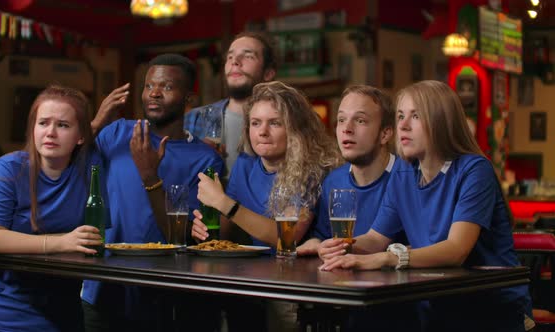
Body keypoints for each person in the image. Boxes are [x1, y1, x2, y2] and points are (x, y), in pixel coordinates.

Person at [318, 80, 534, 332]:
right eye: (400, 116)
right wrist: (341, 248)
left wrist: (386, 258)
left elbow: (456, 250)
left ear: (441, 121)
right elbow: (376, 238)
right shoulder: (403, 175)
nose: (403, 125)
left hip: (492, 310)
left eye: (416, 116)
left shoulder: (474, 170)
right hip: (439, 308)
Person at [81, 54, 224, 331]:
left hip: (163, 294)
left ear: (188, 100)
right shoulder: (117, 133)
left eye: (167, 87)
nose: (154, 93)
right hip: (102, 286)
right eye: (149, 86)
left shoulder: (205, 158)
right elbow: (67, 167)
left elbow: (180, 235)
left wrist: (150, 177)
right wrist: (97, 123)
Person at [191, 81, 342, 332]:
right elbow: (228, 229)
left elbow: (286, 236)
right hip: (258, 279)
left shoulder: (312, 169)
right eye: (255, 123)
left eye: (274, 123)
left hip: (301, 286)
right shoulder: (246, 164)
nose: (262, 131)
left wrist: (224, 203)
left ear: (295, 129)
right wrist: (208, 226)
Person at [0, 85, 104, 332]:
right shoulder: (11, 167)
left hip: (66, 317)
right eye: (43, 123)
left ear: (81, 136)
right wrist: (61, 242)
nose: (50, 132)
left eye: (63, 125)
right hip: (6, 316)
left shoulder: (89, 170)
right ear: (33, 129)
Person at [296, 85, 401, 255]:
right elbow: (322, 237)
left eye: (360, 120)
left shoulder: (407, 177)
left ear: (385, 134)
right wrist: (314, 245)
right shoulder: (333, 181)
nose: (347, 129)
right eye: (342, 120)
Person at [184, 31, 277, 175]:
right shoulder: (194, 119)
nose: (235, 61)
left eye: (248, 56)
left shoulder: (285, 123)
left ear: (268, 74)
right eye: (230, 57)